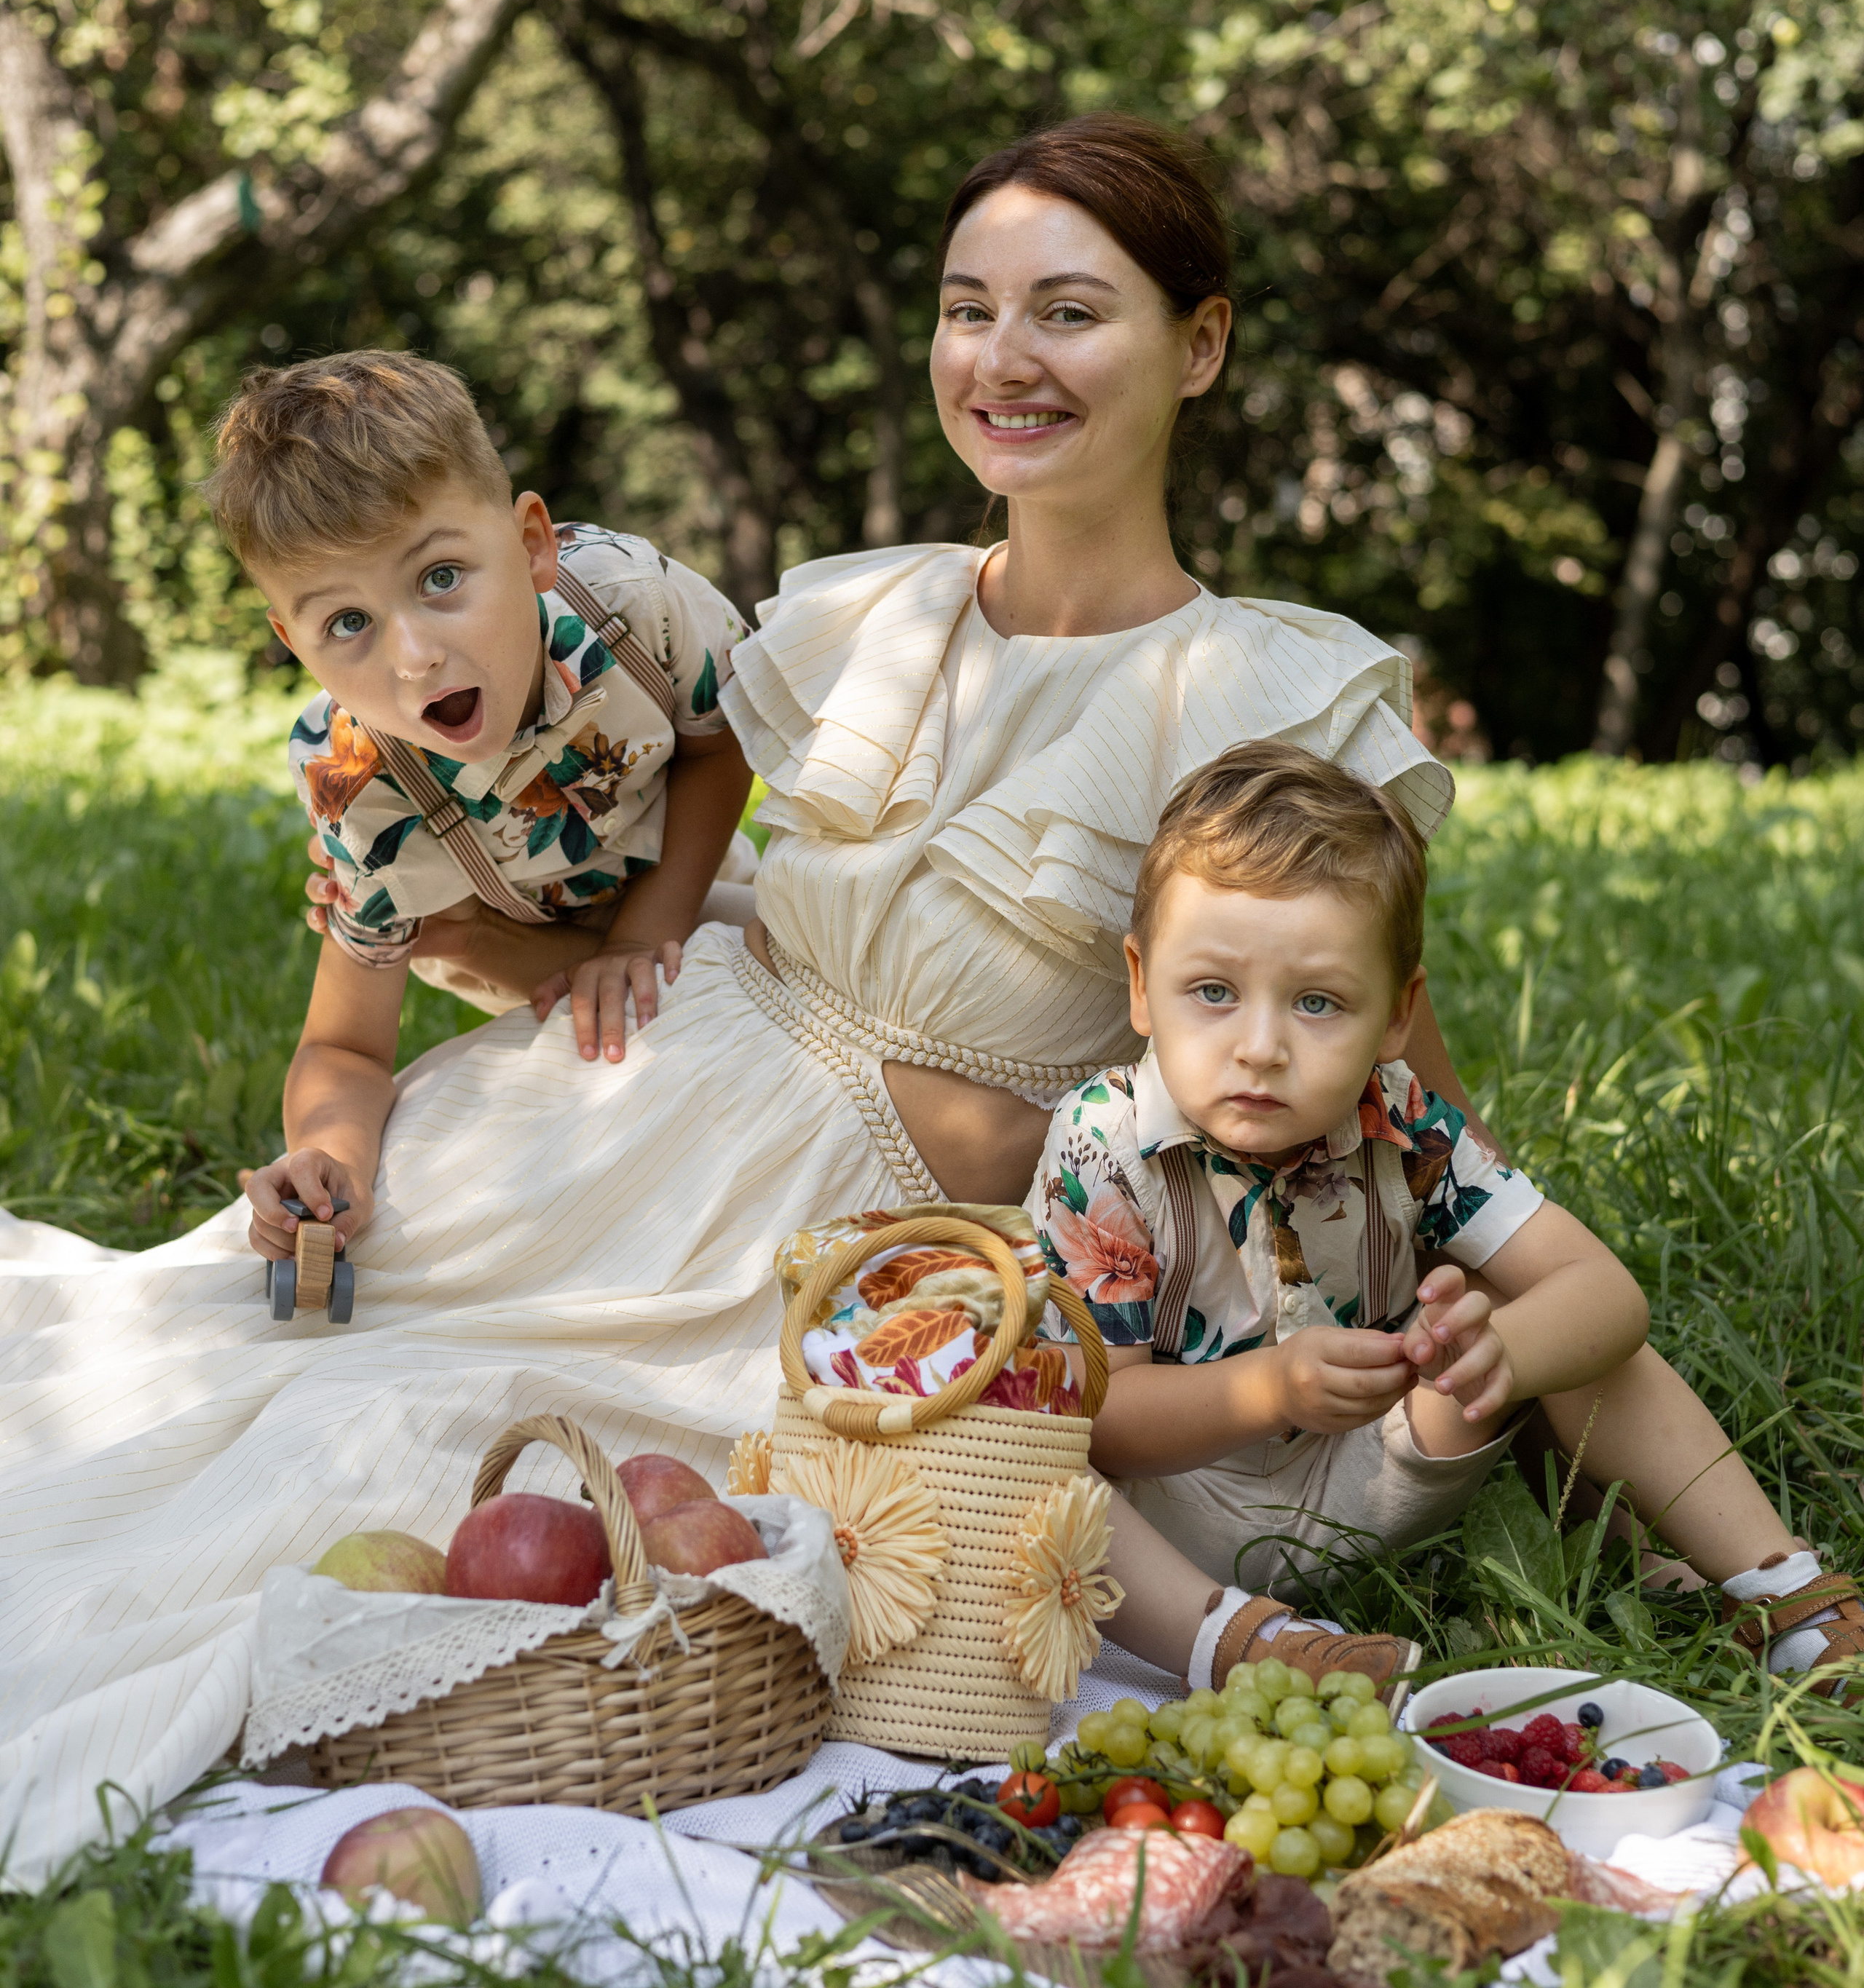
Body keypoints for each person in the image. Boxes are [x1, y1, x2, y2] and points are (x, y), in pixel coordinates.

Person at [0, 115, 1844, 1889]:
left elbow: (1413, 1124)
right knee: (276, 1390)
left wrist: (1709, 1524)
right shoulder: (864, 622)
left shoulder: (1263, 694)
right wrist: (402, 1073)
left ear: (1198, 345)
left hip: (874, 1255)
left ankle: (1775, 1598)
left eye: (1068, 308)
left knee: (484, 1445)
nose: (1002, 354)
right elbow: (576, 889)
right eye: (970, 308)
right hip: (629, 1120)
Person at [1033, 742, 1861, 1694]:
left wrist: (1497, 1352)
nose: (1259, 1048)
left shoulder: (1406, 1122)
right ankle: (1241, 1645)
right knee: (1020, 1440)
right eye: (1213, 991)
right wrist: (1269, 1390)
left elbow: (1606, 1295)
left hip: (1371, 1474)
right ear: (1141, 985)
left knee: (1547, 1317)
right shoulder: (1103, 1143)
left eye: (1317, 1002)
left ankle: (1787, 1593)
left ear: (1397, 1015)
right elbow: (1103, 1418)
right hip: (1162, 1516)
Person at [208, 352, 757, 1278]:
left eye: (440, 578)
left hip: (686, 872)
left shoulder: (631, 603)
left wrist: (642, 936)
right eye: (347, 623)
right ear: (292, 642)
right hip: (516, 956)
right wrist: (330, 1160)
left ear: (533, 542)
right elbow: (344, 1044)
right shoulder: (359, 783)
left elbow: (719, 744)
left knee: (798, 986)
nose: (415, 657)